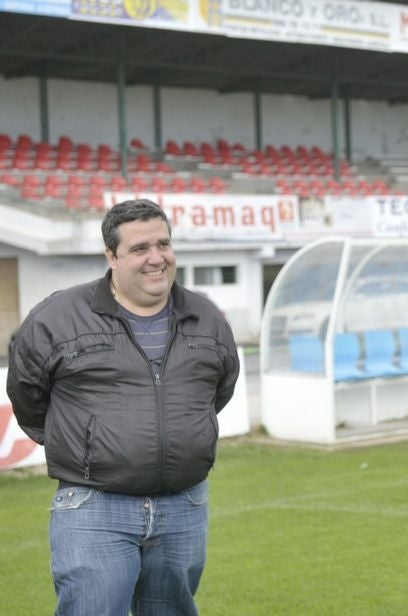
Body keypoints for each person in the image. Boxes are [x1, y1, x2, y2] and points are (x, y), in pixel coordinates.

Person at [7, 199, 240, 615]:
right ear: (111, 256)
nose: (156, 259)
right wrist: (86, 442)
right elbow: (27, 394)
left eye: (163, 244)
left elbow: (218, 391)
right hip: (94, 507)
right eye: (139, 249)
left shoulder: (207, 317)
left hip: (183, 506)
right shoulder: (57, 317)